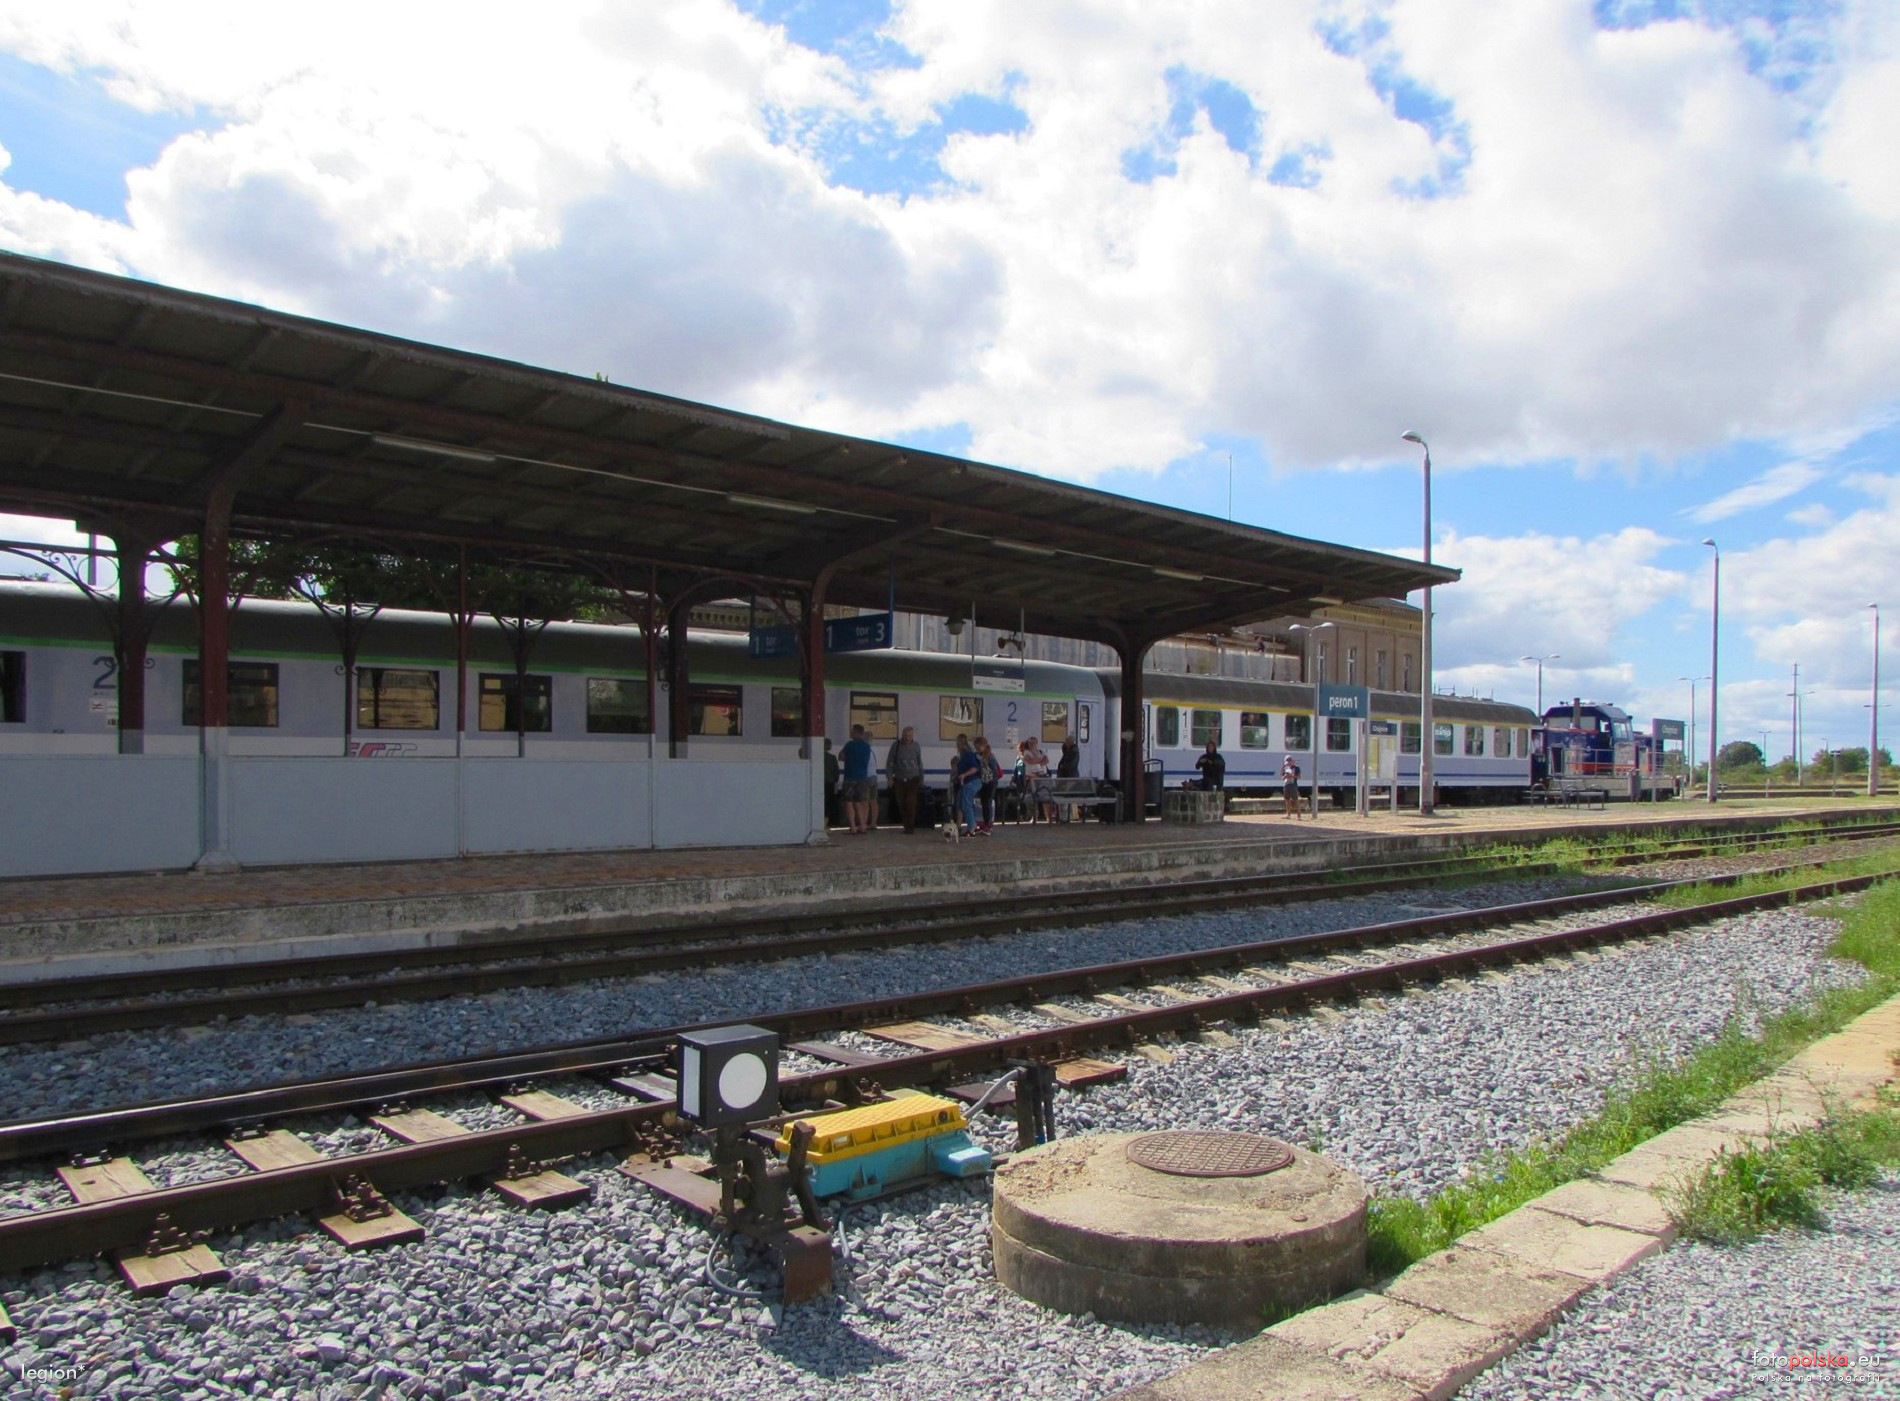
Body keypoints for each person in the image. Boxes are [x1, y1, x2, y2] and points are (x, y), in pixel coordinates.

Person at [840, 724, 876, 835]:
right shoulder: (866, 746)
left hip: (850, 777)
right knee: (860, 802)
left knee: (849, 802)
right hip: (863, 778)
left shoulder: (849, 745)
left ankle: (853, 827)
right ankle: (863, 825)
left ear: (856, 733)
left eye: (852, 731)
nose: (851, 733)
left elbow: (841, 757)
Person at [887, 725, 924, 834]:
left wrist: (921, 778)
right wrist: (889, 777)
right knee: (901, 803)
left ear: (913, 736)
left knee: (910, 802)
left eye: (910, 736)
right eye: (906, 735)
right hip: (899, 778)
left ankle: (910, 826)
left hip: (913, 778)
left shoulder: (916, 746)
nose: (908, 738)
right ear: (902, 735)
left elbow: (919, 763)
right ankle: (906, 824)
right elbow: (890, 762)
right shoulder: (896, 746)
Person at [951, 733, 984, 837]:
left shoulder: (967, 754)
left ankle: (971, 827)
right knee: (960, 802)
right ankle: (959, 826)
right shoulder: (964, 755)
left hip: (971, 782)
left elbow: (975, 768)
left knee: (966, 804)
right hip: (966, 782)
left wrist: (964, 775)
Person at [1022, 736, 1055, 822]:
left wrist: (1037, 760)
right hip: (1032, 777)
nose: (1031, 744)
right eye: (1030, 743)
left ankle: (1049, 817)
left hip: (1042, 776)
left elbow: (1046, 760)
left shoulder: (1041, 751)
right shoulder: (1026, 752)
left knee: (1045, 796)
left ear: (1037, 744)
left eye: (1033, 743)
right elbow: (1030, 760)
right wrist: (1040, 760)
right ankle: (1034, 816)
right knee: (1031, 797)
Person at [974, 736, 1002, 833]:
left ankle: (988, 825)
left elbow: (994, 770)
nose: (977, 749)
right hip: (984, 782)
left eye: (978, 747)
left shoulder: (990, 757)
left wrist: (989, 778)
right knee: (984, 803)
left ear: (984, 746)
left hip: (990, 782)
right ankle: (985, 823)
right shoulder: (980, 755)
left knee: (987, 802)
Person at [822, 738, 840, 830]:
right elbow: (836, 773)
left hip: (818, 783)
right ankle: (824, 825)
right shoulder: (832, 758)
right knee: (827, 804)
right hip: (829, 783)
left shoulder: (815, 756)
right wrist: (835, 780)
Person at [1281, 753, 1302, 819]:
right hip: (1286, 784)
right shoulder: (1284, 768)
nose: (1289, 762)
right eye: (1287, 761)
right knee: (1287, 800)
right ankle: (1288, 814)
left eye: (1290, 760)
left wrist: (1292, 776)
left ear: (1292, 761)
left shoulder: (1296, 768)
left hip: (1293, 785)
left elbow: (1299, 776)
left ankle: (1299, 816)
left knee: (1295, 799)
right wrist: (1285, 776)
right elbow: (1282, 777)